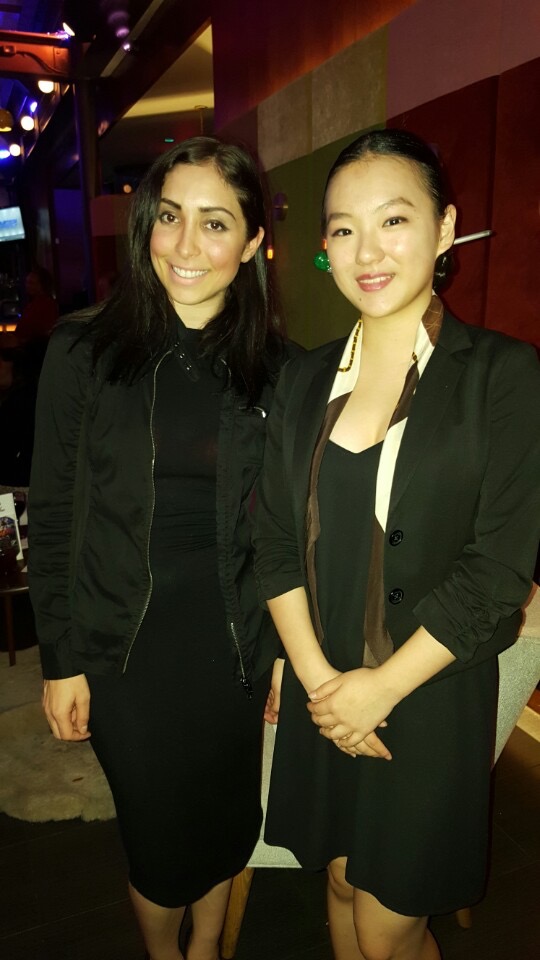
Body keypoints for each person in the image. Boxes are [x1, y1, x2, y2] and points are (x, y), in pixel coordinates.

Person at [253, 129, 540, 960]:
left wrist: (377, 691)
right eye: (344, 229)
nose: (367, 251)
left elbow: (498, 570)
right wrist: (323, 686)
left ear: (444, 228)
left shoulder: (503, 374)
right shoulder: (302, 378)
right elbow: (274, 537)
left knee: (388, 926)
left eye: (394, 220)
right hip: (324, 684)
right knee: (343, 882)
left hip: (427, 689)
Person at [29, 136, 293, 960]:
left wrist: (283, 652)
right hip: (121, 649)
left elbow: (283, 531)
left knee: (224, 824)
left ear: (252, 242)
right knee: (159, 840)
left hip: (232, 645)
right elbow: (54, 513)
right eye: (169, 216)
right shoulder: (83, 350)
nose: (184, 244)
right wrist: (59, 659)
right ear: (146, 222)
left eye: (215, 223)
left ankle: (205, 950)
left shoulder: (277, 369)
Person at [14, 266, 58, 344]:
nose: (27, 286)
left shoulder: (46, 305)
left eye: (31, 283)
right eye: (27, 282)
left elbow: (42, 332)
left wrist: (20, 341)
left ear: (42, 285)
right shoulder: (34, 303)